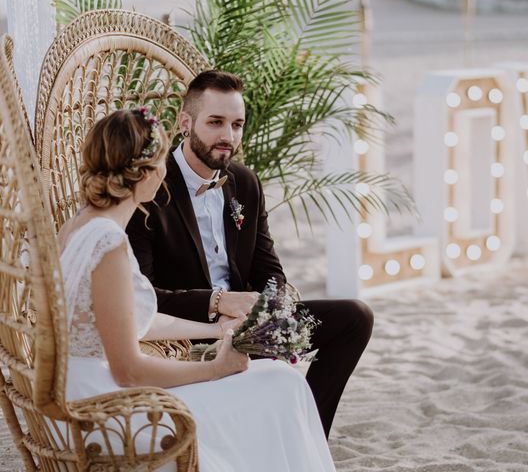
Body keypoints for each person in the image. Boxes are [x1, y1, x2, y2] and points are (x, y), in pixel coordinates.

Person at [58, 108, 336, 472]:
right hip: (109, 410)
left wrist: (216, 330)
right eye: (160, 162)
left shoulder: (80, 226)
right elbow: (130, 371)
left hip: (86, 387)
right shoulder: (108, 243)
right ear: (148, 173)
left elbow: (129, 320)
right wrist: (217, 369)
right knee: (282, 386)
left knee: (280, 381)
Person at [126, 70, 375, 437]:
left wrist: (268, 311)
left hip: (249, 323)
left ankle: (309, 438)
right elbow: (142, 294)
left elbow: (269, 269)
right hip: (186, 333)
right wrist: (217, 302)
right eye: (216, 122)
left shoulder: (245, 182)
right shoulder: (150, 189)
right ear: (185, 122)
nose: (228, 136)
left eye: (237, 124)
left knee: (355, 317)